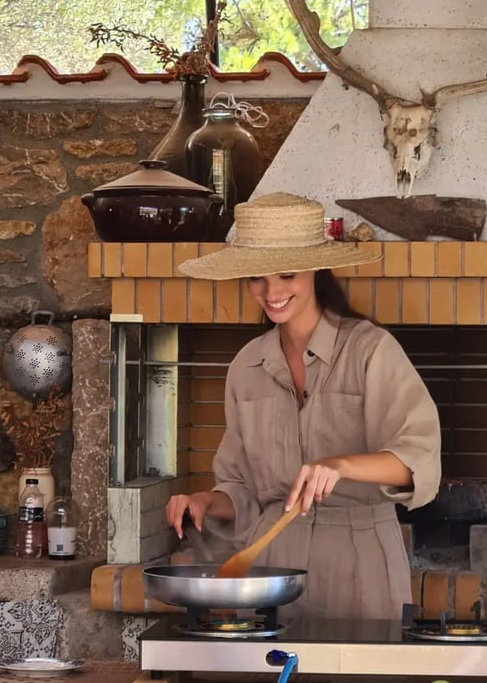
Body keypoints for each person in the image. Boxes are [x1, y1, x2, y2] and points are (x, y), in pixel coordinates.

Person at [165, 192, 441, 620]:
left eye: (287, 274)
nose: (271, 292)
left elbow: (418, 462)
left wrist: (341, 466)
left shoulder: (371, 350)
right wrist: (202, 501)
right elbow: (239, 488)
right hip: (272, 561)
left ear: (315, 271)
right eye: (258, 277)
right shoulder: (246, 367)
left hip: (360, 556)